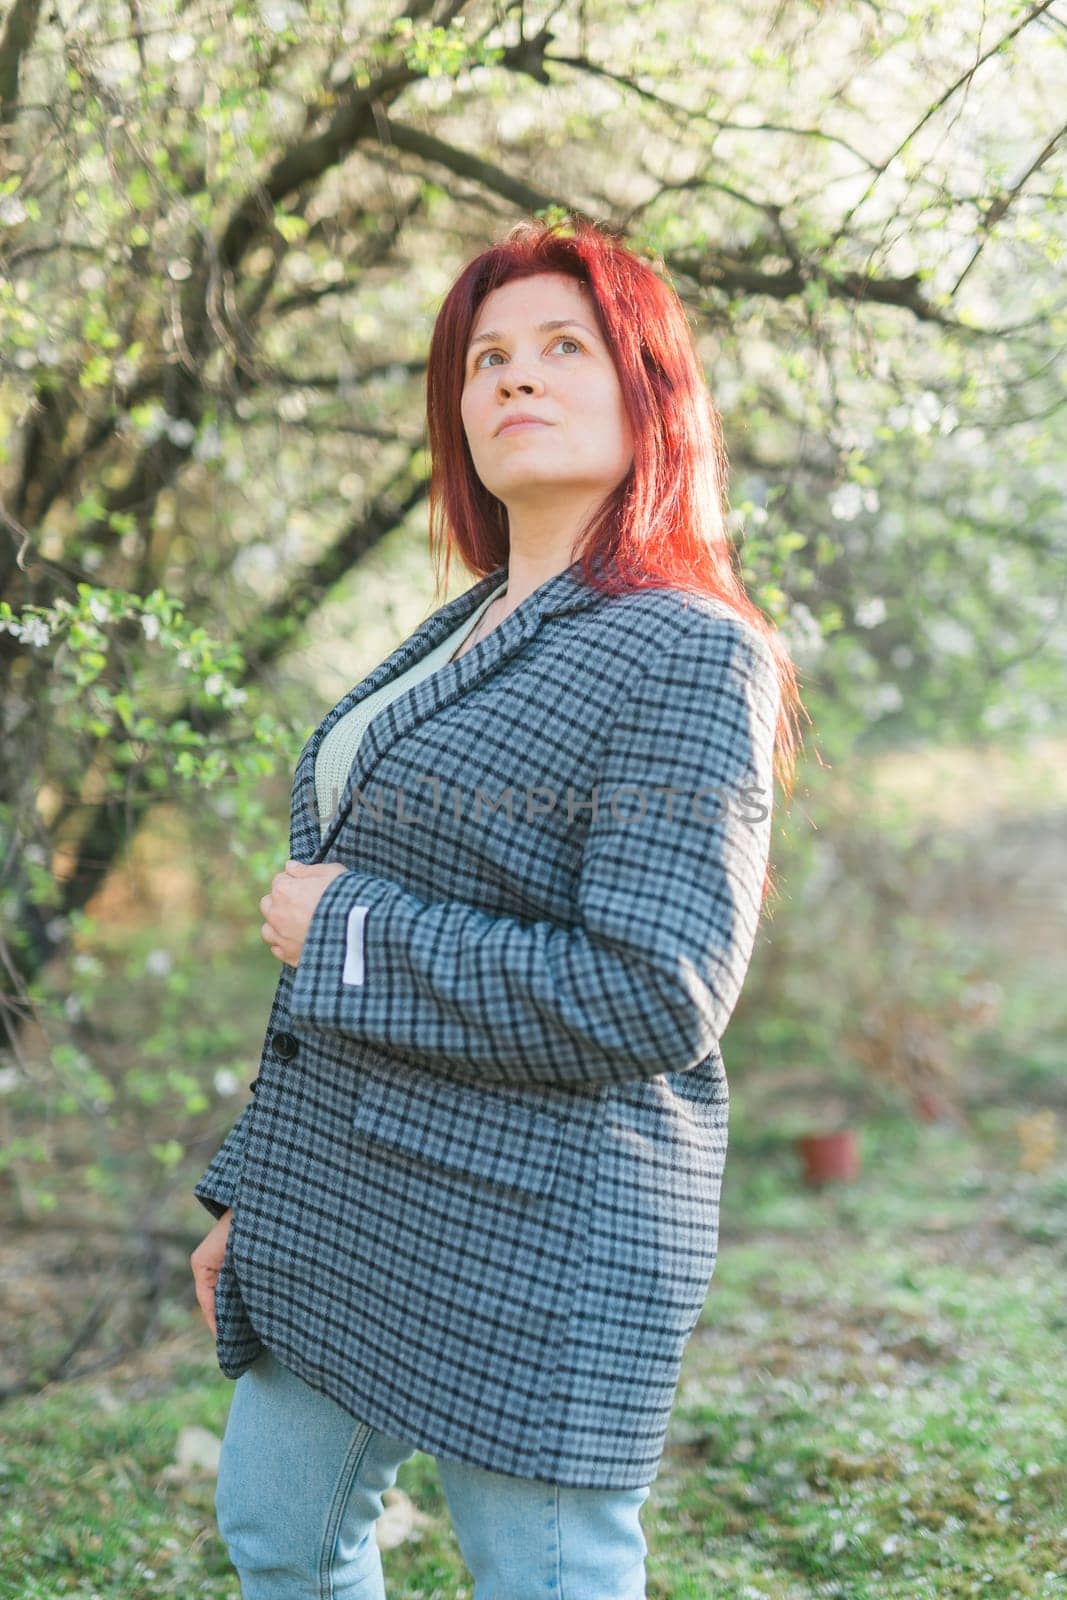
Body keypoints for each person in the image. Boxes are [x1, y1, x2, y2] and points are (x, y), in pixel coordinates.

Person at [189, 214, 803, 1600]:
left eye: (561, 349)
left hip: (539, 1230)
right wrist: (252, 1196)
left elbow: (656, 990)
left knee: (546, 1577)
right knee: (282, 1538)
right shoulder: (458, 628)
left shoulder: (689, 650)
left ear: (646, 387)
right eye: (486, 360)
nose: (515, 379)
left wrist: (348, 929)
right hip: (341, 1198)